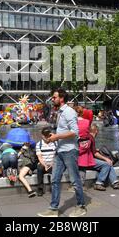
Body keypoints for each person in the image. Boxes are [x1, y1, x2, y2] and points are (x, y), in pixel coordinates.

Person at [37, 88, 86, 218]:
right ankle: (53, 209)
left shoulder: (69, 112)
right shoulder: (59, 112)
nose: (52, 99)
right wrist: (51, 137)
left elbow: (75, 132)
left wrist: (57, 137)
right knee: (55, 179)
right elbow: (61, 131)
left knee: (75, 180)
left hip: (70, 150)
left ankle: (81, 206)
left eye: (54, 97)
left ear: (61, 98)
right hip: (60, 151)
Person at [88, 125, 119, 191]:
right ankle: (99, 183)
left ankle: (115, 182)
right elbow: (95, 154)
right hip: (88, 161)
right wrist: (105, 158)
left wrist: (95, 150)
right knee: (106, 163)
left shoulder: (87, 137)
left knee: (109, 163)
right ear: (96, 131)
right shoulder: (91, 137)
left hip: (85, 160)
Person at [35, 127, 57, 196]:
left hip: (52, 163)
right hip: (43, 163)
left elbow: (57, 155)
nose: (47, 137)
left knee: (56, 169)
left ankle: (54, 188)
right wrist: (45, 165)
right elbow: (39, 157)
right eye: (45, 136)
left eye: (48, 135)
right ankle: (40, 189)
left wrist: (52, 163)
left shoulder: (55, 143)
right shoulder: (39, 144)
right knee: (39, 168)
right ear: (42, 136)